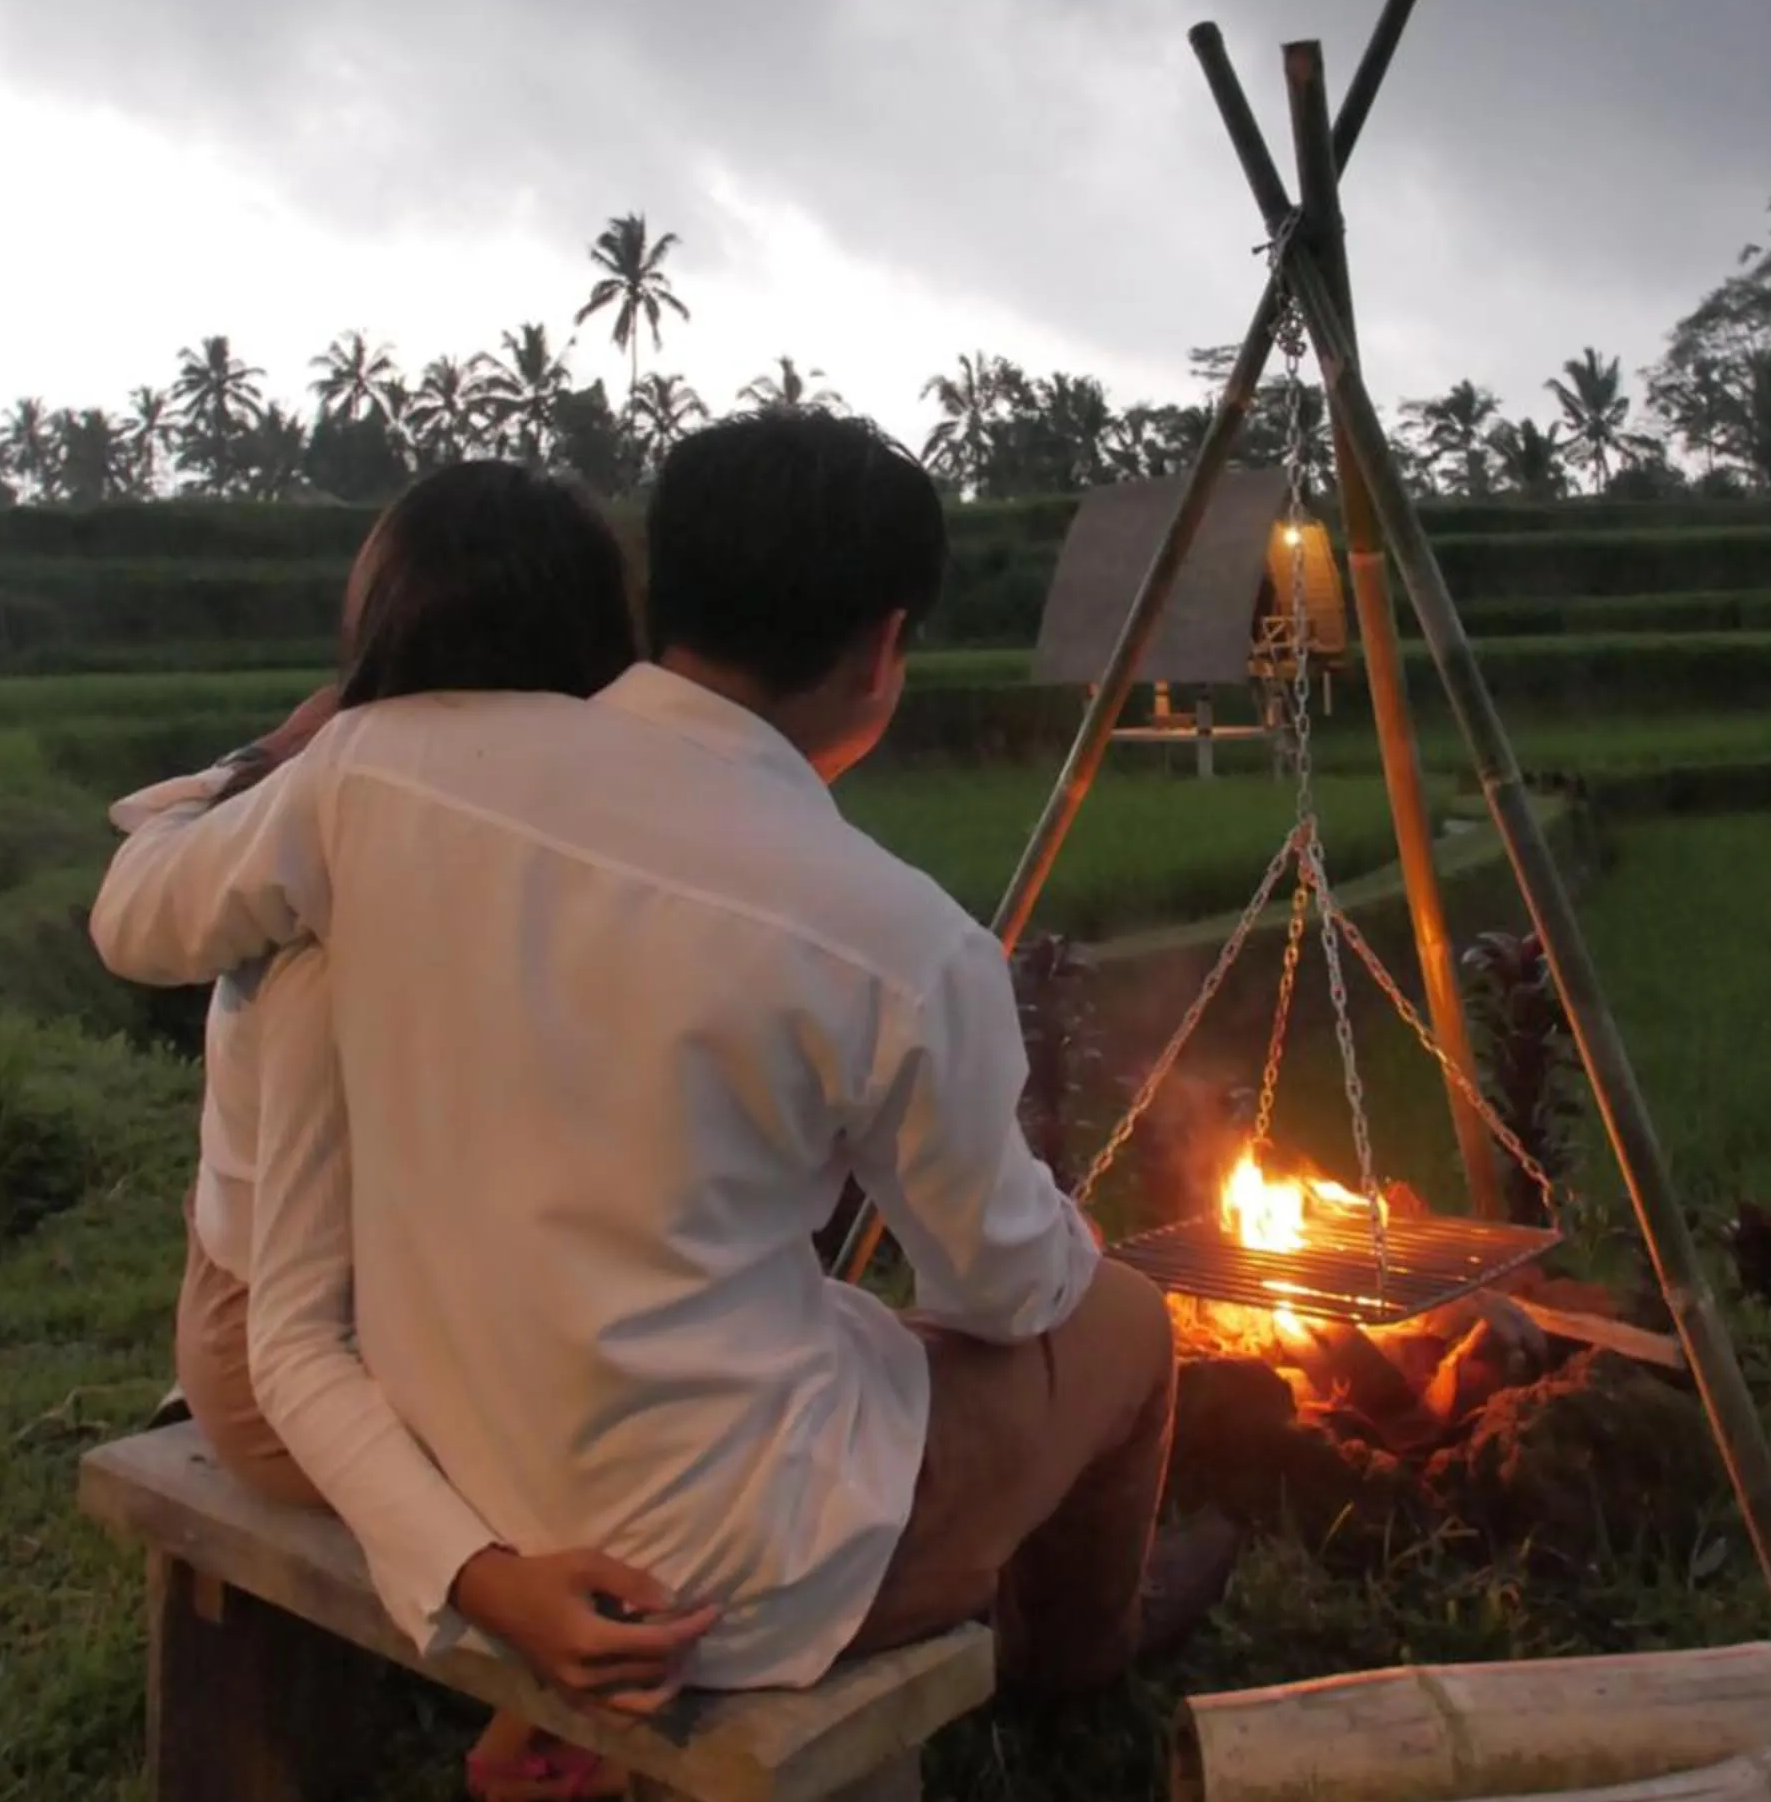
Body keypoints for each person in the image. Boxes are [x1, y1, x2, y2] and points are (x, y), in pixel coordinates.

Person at [90, 411, 1234, 1703]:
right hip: (703, 1580)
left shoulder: (377, 771)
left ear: (665, 595)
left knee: (836, 1320)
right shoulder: (901, 940)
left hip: (442, 1441)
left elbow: (141, 909)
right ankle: (1079, 1672)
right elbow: (1003, 1290)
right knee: (1121, 1324)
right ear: (884, 649)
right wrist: (1053, 1248)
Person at [131, 462, 715, 1796]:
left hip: (420, 1291)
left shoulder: (360, 813)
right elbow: (294, 1337)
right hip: (288, 1343)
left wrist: (275, 760)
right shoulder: (331, 901)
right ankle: (543, 1719)